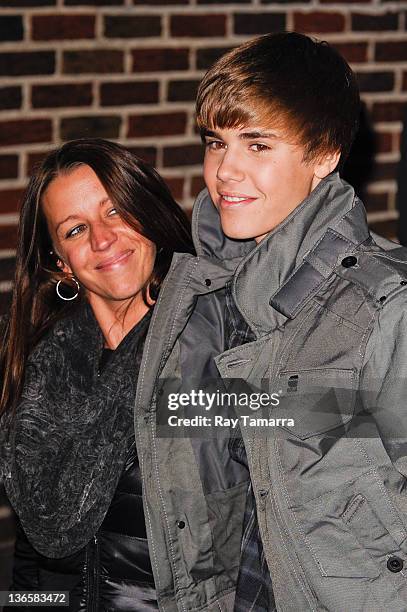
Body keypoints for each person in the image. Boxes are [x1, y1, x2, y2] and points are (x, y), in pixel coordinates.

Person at [192, 31, 407, 611]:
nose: (225, 172)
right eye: (216, 143)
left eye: (257, 146)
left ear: (323, 155)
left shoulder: (385, 305)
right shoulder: (203, 291)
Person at [0, 138, 194, 611]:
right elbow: (32, 561)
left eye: (115, 212)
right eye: (74, 229)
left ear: (147, 213)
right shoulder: (42, 367)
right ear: (60, 262)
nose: (102, 239)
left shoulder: (208, 350)